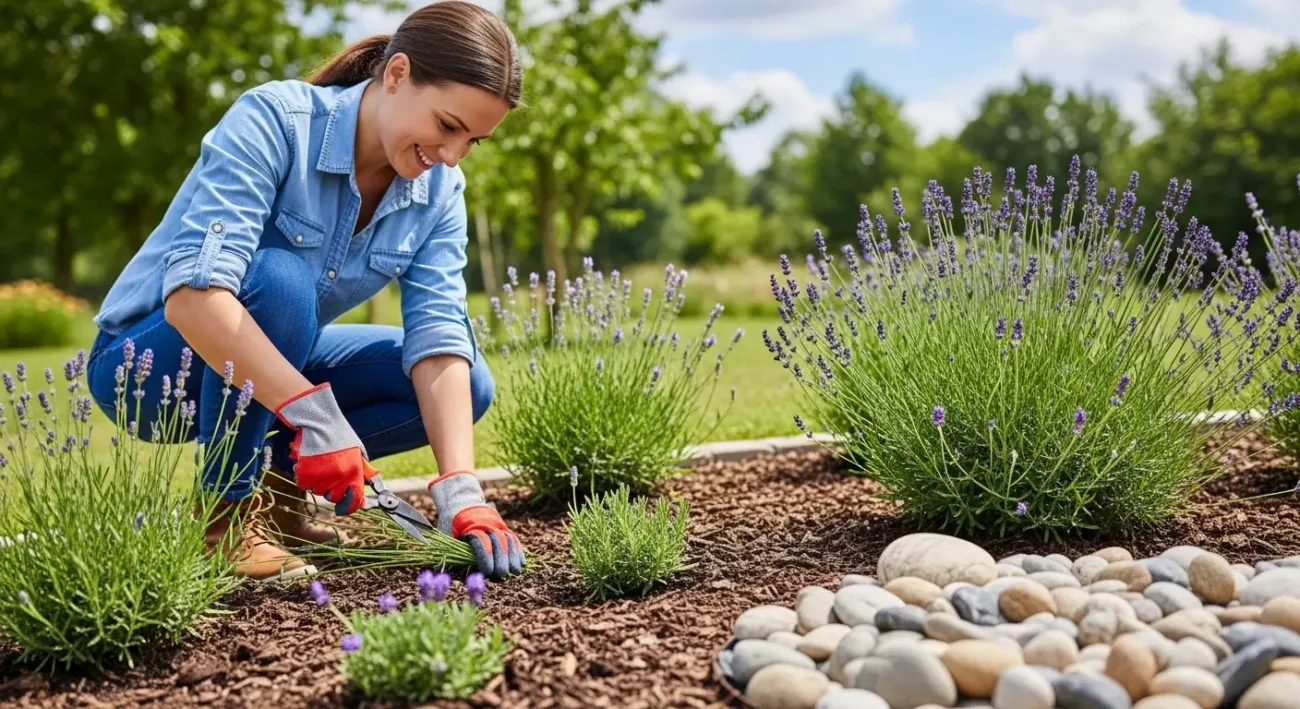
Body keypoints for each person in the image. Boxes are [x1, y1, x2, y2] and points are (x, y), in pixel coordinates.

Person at [85, 1, 526, 583]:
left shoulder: (440, 190)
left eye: (474, 140)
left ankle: (277, 500)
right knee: (281, 281)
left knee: (467, 383)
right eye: (447, 125)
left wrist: (462, 490)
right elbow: (194, 297)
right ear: (396, 74)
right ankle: (222, 523)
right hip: (147, 368)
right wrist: (314, 416)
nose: (450, 155)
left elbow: (440, 333)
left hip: (276, 355)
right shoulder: (276, 120)